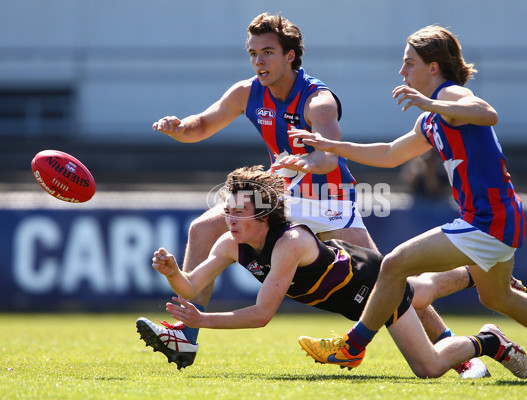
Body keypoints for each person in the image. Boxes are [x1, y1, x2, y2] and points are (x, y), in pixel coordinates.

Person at [148, 12, 490, 377]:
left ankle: (461, 352)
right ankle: (186, 335)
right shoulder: (246, 92)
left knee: (386, 283)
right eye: (253, 53)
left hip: (329, 201)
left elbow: (329, 156)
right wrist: (178, 127)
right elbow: (200, 126)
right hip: (281, 196)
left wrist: (306, 162)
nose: (258, 62)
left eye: (267, 53)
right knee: (202, 230)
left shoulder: (318, 100)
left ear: (290, 56)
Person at [284, 25, 527, 381]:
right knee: (497, 297)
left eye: (409, 63)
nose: (402, 71)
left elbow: (488, 113)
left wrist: (433, 102)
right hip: (497, 218)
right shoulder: (430, 118)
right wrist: (329, 146)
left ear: (433, 66)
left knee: (394, 263)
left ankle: (351, 347)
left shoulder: (452, 96)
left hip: (488, 219)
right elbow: (389, 154)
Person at [136, 165, 527, 379]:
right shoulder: (229, 243)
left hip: (373, 284)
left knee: (427, 366)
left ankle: (487, 341)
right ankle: (472, 272)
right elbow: (192, 284)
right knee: (421, 291)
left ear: (263, 213)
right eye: (228, 210)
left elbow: (261, 315)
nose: (229, 218)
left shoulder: (289, 243)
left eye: (238, 211)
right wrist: (172, 273)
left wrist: (201, 319)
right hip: (354, 292)